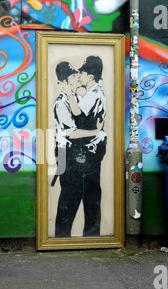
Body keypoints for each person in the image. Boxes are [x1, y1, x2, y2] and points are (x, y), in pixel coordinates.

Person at [53, 57, 106, 238]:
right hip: (67, 153)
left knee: (90, 198)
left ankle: (91, 236)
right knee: (70, 197)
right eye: (75, 77)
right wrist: (95, 132)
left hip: (84, 154)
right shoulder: (62, 102)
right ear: (65, 82)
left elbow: (78, 113)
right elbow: (71, 133)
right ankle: (62, 237)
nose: (78, 79)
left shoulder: (84, 95)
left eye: (80, 75)